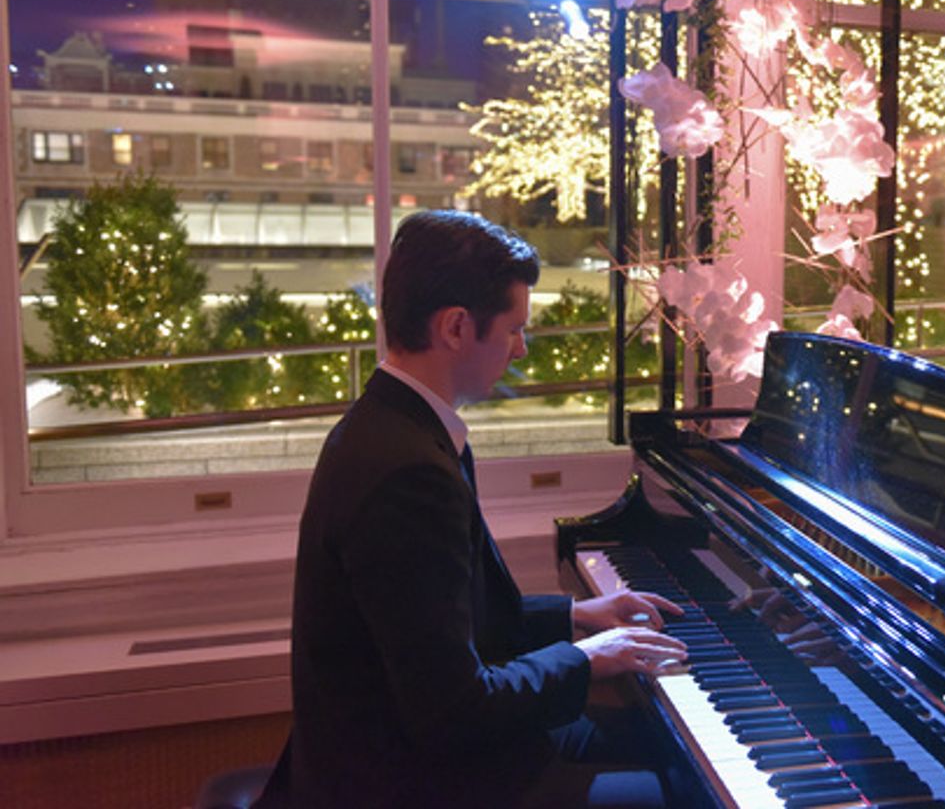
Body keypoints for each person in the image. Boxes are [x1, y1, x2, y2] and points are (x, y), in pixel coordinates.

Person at [256, 210, 687, 808]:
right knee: (686, 792)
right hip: (414, 782)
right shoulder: (406, 469)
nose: (522, 348)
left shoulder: (395, 427)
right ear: (457, 327)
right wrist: (587, 657)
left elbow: (449, 621)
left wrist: (579, 616)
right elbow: (454, 710)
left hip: (413, 751)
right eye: (513, 328)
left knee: (665, 747)